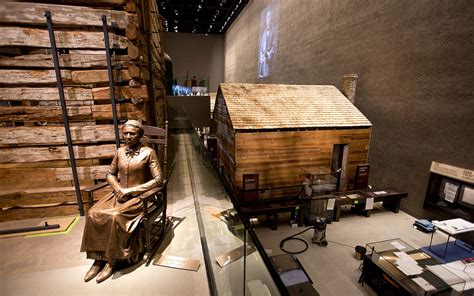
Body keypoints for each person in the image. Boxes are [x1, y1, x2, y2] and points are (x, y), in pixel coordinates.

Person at [81, 120, 163, 283]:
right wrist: (118, 188)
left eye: (132, 133)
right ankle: (98, 260)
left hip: (140, 198)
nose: (127, 136)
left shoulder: (148, 153)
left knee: (115, 216)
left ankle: (111, 261)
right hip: (119, 194)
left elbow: (159, 179)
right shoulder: (119, 152)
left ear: (139, 134)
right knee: (93, 213)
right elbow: (110, 174)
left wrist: (131, 190)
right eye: (125, 133)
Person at [258, 8, 276, 78]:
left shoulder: (274, 30)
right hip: (263, 65)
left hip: (270, 63)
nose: (268, 19)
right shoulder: (263, 34)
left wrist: (269, 54)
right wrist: (262, 57)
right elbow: (261, 49)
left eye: (270, 17)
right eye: (267, 17)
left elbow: (274, 46)